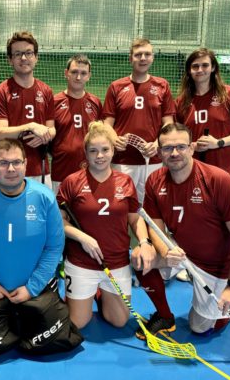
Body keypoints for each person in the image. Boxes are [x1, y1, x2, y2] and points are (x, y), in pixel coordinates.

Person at [0, 139, 83, 356]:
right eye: (3, 163)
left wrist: (32, 287)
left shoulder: (44, 197)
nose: (10, 169)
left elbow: (54, 246)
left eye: (16, 162)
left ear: (25, 164)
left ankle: (22, 318)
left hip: (36, 289)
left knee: (53, 342)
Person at [132, 122, 230, 338]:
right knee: (140, 258)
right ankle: (165, 317)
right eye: (167, 148)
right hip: (182, 252)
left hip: (216, 264)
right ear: (159, 152)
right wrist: (165, 252)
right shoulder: (155, 181)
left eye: (181, 146)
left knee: (199, 327)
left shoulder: (217, 180)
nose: (174, 153)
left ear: (192, 148)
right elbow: (155, 229)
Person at [175, 48, 230, 302]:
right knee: (197, 224)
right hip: (193, 176)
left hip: (224, 173)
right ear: (189, 71)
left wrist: (219, 143)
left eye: (204, 65)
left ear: (213, 67)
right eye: (195, 66)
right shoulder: (183, 101)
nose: (200, 70)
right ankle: (198, 268)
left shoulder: (229, 95)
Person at [57, 121, 154, 329]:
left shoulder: (125, 181)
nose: (99, 156)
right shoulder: (72, 182)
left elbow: (134, 218)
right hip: (82, 262)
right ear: (85, 152)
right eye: (93, 151)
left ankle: (99, 293)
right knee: (77, 323)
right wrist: (82, 237)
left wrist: (145, 242)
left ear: (113, 151)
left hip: (116, 261)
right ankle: (82, 294)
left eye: (104, 150)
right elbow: (59, 220)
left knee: (118, 321)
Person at [102, 38, 175, 203]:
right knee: (121, 205)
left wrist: (158, 144)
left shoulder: (162, 85)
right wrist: (114, 139)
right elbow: (107, 124)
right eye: (138, 55)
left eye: (147, 54)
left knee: (150, 207)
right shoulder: (116, 86)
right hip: (122, 161)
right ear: (130, 58)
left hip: (153, 160)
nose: (143, 58)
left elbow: (169, 123)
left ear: (152, 58)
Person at [0, 31, 55, 187]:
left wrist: (44, 135)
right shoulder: (2, 91)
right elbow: (0, 133)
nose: (24, 58)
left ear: (36, 57)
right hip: (10, 170)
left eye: (28, 53)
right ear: (10, 60)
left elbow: (51, 129)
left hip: (40, 168)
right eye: (18, 54)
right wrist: (31, 126)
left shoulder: (46, 91)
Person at [51, 54, 102, 195]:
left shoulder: (95, 103)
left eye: (83, 73)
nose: (78, 77)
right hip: (61, 171)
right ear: (66, 73)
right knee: (61, 214)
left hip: (90, 171)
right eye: (74, 72)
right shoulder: (54, 102)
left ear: (89, 76)